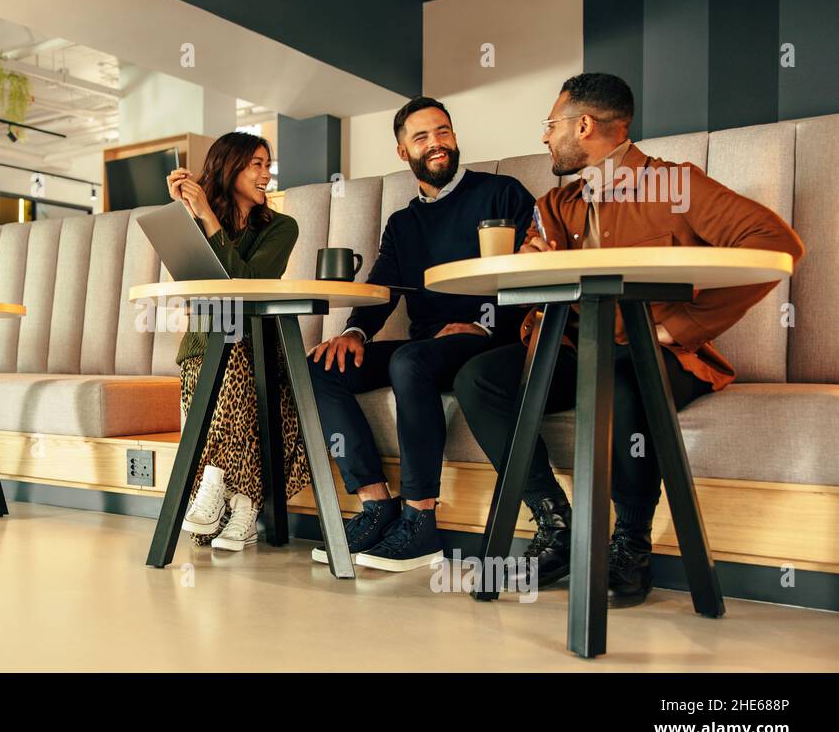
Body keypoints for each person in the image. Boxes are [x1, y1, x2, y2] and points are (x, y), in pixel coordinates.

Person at [452, 73, 805, 605]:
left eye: (551, 125)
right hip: (573, 347)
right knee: (480, 379)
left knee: (620, 384)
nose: (545, 138)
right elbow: (530, 276)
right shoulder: (555, 206)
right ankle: (556, 524)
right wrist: (527, 267)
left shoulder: (676, 186)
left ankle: (631, 543)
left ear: (585, 125)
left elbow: (775, 243)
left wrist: (677, 328)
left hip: (659, 355)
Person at [305, 97, 535, 572]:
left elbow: (532, 271)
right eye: (422, 137)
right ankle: (375, 502)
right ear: (402, 151)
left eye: (444, 132)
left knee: (410, 361)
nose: (437, 144)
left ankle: (421, 519)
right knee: (320, 365)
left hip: (494, 338)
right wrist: (353, 332)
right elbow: (385, 286)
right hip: (431, 343)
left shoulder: (502, 193)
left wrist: (483, 322)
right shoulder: (403, 223)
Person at [166, 132, 310, 551]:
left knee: (237, 358)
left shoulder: (282, 227)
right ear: (230, 167)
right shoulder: (194, 222)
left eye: (269, 165)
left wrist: (209, 219)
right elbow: (193, 288)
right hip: (201, 350)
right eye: (256, 165)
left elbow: (248, 283)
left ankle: (213, 478)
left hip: (260, 348)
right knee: (200, 535)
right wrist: (189, 215)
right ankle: (244, 505)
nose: (266, 174)